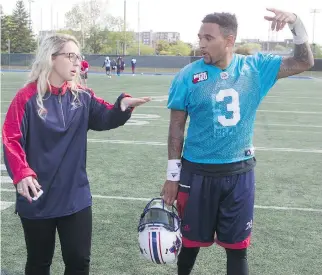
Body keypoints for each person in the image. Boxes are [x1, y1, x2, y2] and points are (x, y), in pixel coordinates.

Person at [161, 8, 313, 275]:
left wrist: (296, 23)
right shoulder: (187, 75)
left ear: (229, 40)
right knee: (190, 244)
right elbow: (176, 127)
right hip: (196, 172)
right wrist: (172, 176)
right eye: (200, 37)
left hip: (239, 172)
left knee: (237, 248)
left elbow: (304, 61)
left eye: (208, 38)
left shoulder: (254, 68)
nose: (201, 43)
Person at [2, 33, 150, 275]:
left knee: (79, 262)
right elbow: (11, 139)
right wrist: (22, 173)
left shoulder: (82, 96)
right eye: (70, 56)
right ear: (50, 58)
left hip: (75, 197)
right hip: (37, 197)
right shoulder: (25, 98)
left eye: (78, 57)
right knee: (39, 263)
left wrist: (122, 105)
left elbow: (105, 116)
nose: (77, 63)